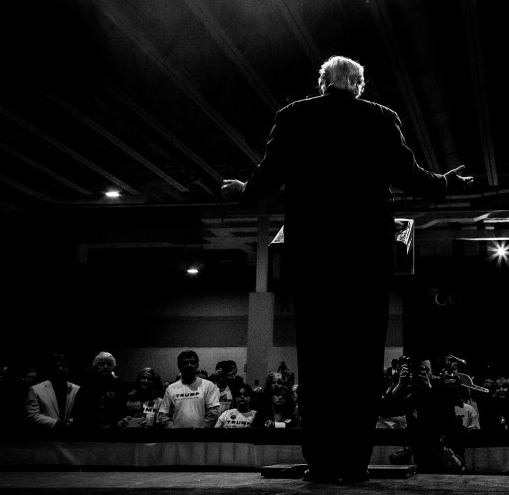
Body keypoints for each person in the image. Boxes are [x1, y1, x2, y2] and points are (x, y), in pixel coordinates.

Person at [221, 55, 473, 483]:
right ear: (358, 85)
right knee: (361, 361)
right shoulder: (381, 118)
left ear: (322, 84)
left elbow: (269, 174)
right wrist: (446, 182)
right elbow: (410, 176)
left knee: (317, 361)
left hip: (314, 259)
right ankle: (353, 464)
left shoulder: (293, 117)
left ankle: (321, 462)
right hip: (365, 260)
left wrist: (243, 191)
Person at [156, 350, 220, 429]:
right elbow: (163, 415)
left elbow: (213, 412)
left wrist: (200, 431)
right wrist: (173, 429)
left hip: (201, 437)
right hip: (177, 438)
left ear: (197, 365)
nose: (189, 365)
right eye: (185, 363)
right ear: (179, 366)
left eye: (193, 362)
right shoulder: (171, 388)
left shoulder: (208, 385)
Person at [74, 351, 127, 429]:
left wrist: (116, 423)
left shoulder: (118, 386)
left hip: (113, 430)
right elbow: (78, 410)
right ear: (96, 366)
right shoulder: (87, 385)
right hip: (88, 429)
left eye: (109, 364)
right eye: (102, 364)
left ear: (113, 367)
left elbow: (122, 409)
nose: (105, 367)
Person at [26, 352, 79, 429]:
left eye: (63, 366)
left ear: (68, 368)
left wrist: (72, 421)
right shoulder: (35, 390)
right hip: (45, 436)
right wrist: (56, 423)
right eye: (56, 366)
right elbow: (32, 415)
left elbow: (82, 412)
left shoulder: (77, 389)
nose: (60, 369)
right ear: (50, 369)